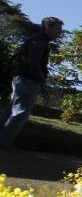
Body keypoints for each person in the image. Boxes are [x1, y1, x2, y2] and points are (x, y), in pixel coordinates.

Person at [0, 16, 64, 149]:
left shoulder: (39, 40)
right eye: (58, 28)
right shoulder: (39, 41)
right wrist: (40, 78)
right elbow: (33, 62)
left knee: (11, 110)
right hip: (27, 80)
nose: (60, 32)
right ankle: (3, 141)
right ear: (47, 27)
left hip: (23, 78)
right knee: (20, 112)